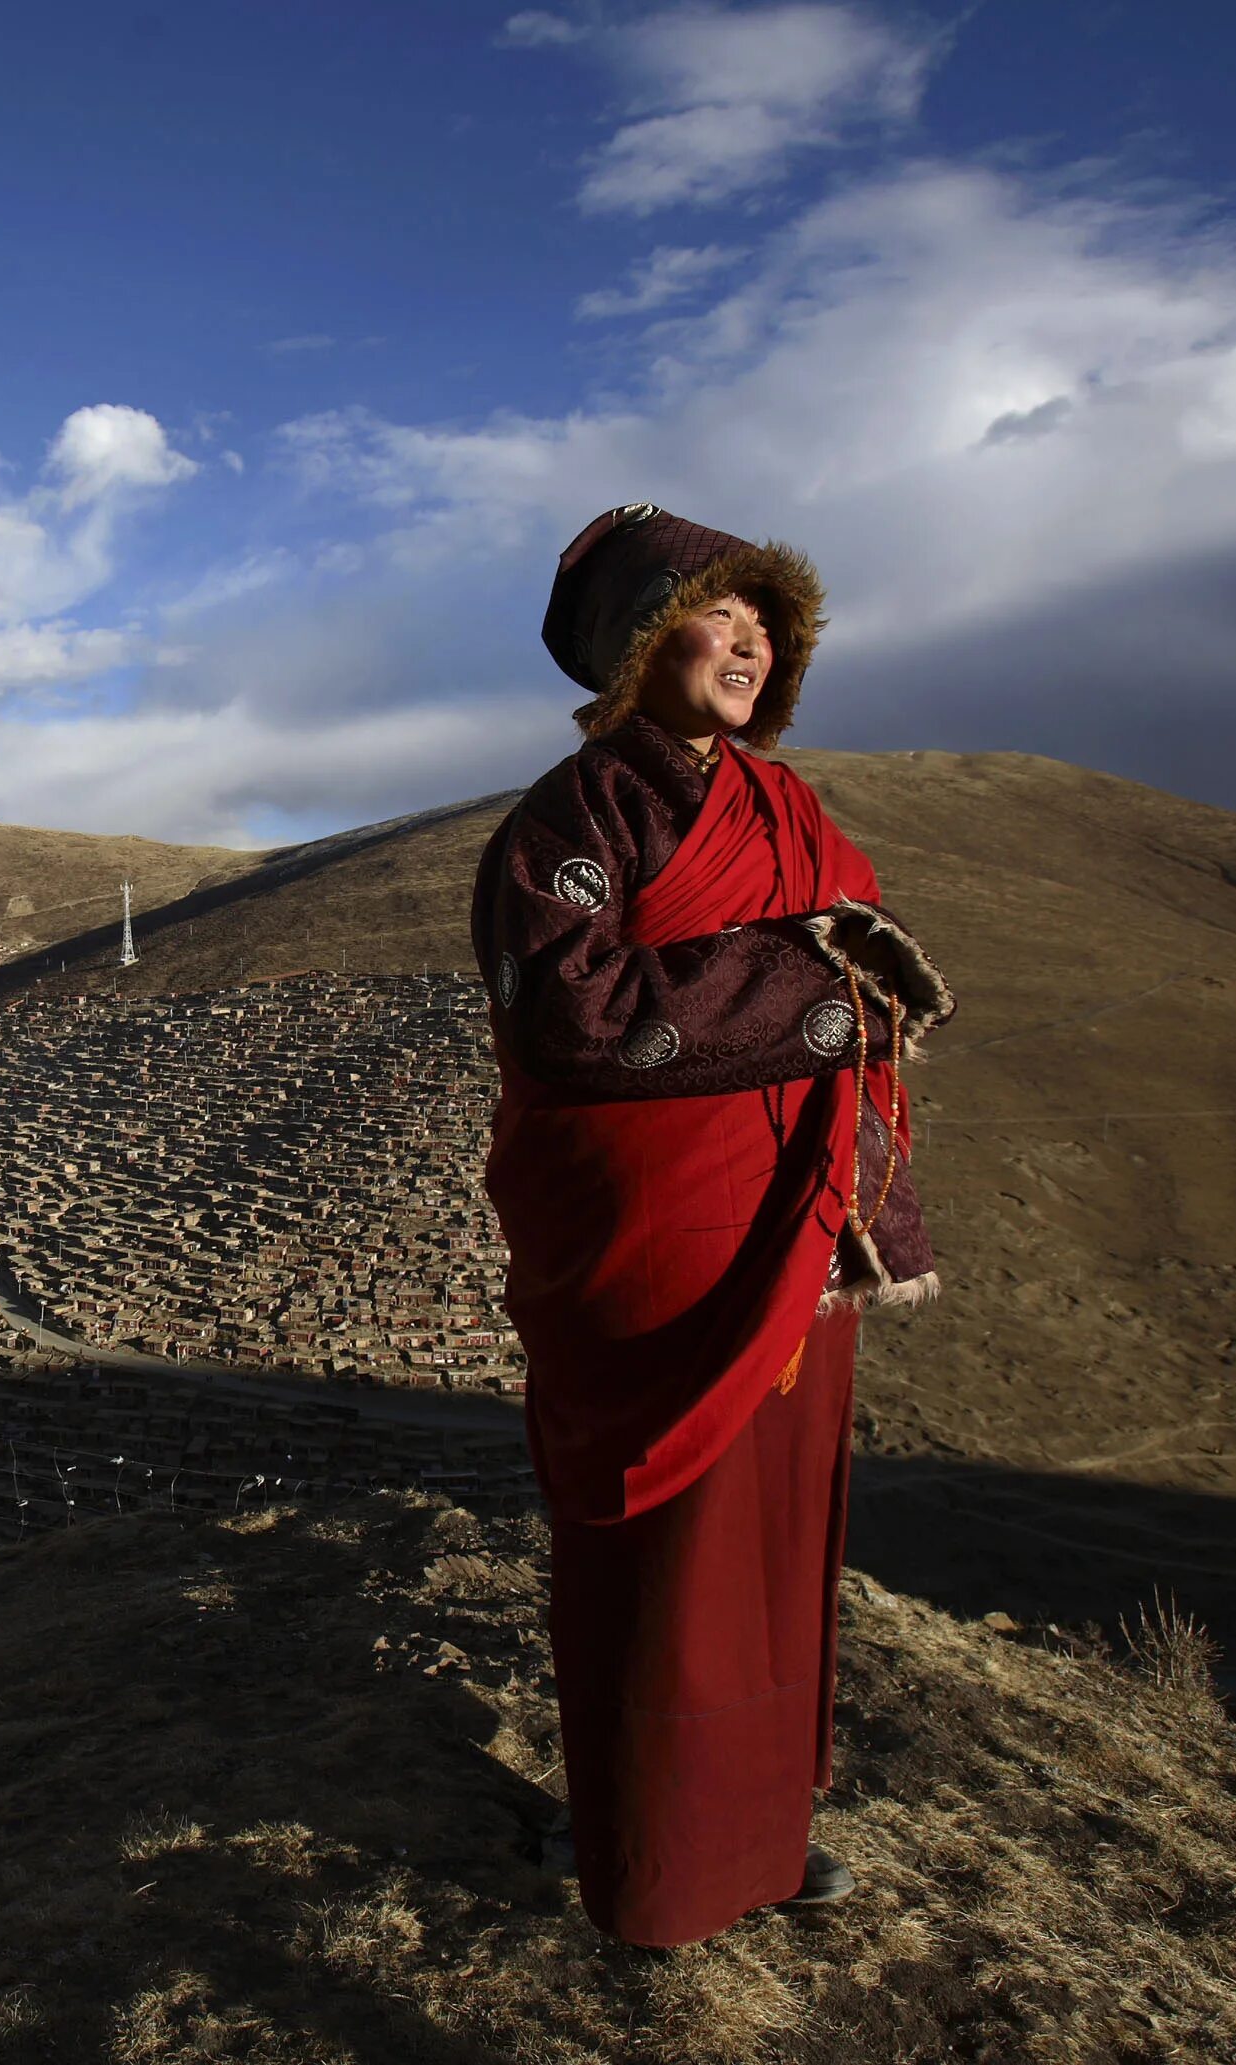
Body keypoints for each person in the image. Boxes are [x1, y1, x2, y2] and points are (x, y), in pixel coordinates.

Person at [469, 503, 957, 1949]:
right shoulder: (568, 822)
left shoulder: (793, 810)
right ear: (638, 642)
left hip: (792, 1230)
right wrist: (807, 985)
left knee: (773, 1547)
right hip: (656, 1244)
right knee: (667, 1558)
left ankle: (763, 1827)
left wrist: (867, 1181)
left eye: (766, 624)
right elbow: (573, 1016)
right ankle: (651, 1849)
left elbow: (866, 991)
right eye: (717, 613)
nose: (747, 642)